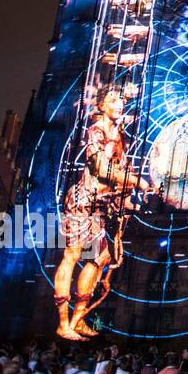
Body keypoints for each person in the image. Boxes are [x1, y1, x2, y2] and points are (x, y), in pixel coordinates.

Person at [53, 88, 158, 340]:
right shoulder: (96, 131)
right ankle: (63, 323)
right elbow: (101, 169)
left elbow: (123, 176)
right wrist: (138, 183)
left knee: (99, 259)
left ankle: (78, 318)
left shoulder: (120, 136)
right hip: (84, 200)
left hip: (103, 206)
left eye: (120, 101)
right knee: (72, 255)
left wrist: (136, 194)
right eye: (112, 100)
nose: (119, 104)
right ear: (101, 105)